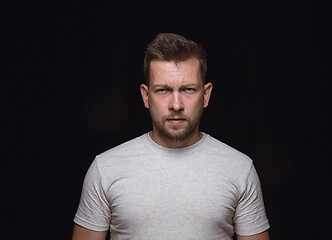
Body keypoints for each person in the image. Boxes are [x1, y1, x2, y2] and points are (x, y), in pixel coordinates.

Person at [72, 33, 270, 240]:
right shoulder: (106, 168)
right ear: (146, 96)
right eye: (163, 90)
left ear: (206, 94)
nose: (176, 105)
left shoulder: (239, 168)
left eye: (188, 89)